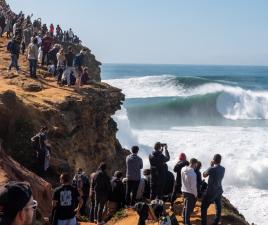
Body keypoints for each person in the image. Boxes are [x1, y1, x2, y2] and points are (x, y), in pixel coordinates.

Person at [201, 154, 225, 225]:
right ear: (220, 161)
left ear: (214, 160)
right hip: (219, 190)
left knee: (203, 207)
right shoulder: (223, 169)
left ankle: (203, 223)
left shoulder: (212, 169)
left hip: (211, 192)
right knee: (218, 209)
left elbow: (204, 175)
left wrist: (211, 166)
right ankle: (215, 223)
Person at [181, 158, 198, 225]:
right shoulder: (193, 173)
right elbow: (193, 187)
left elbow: (182, 179)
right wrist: (195, 194)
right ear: (195, 164)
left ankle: (185, 221)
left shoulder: (182, 169)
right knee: (188, 209)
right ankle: (187, 223)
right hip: (190, 193)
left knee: (185, 206)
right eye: (196, 164)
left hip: (183, 190)